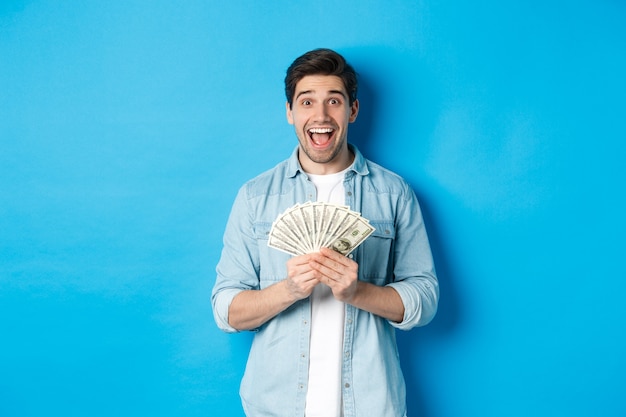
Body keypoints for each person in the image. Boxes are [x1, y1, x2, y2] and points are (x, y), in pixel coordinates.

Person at [212, 48, 439, 417]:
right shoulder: (255, 197)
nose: (320, 116)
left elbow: (425, 298)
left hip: (370, 404)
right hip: (274, 406)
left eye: (334, 101)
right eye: (306, 102)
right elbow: (226, 311)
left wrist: (358, 291)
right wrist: (288, 290)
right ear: (290, 112)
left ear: (352, 110)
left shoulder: (394, 193)